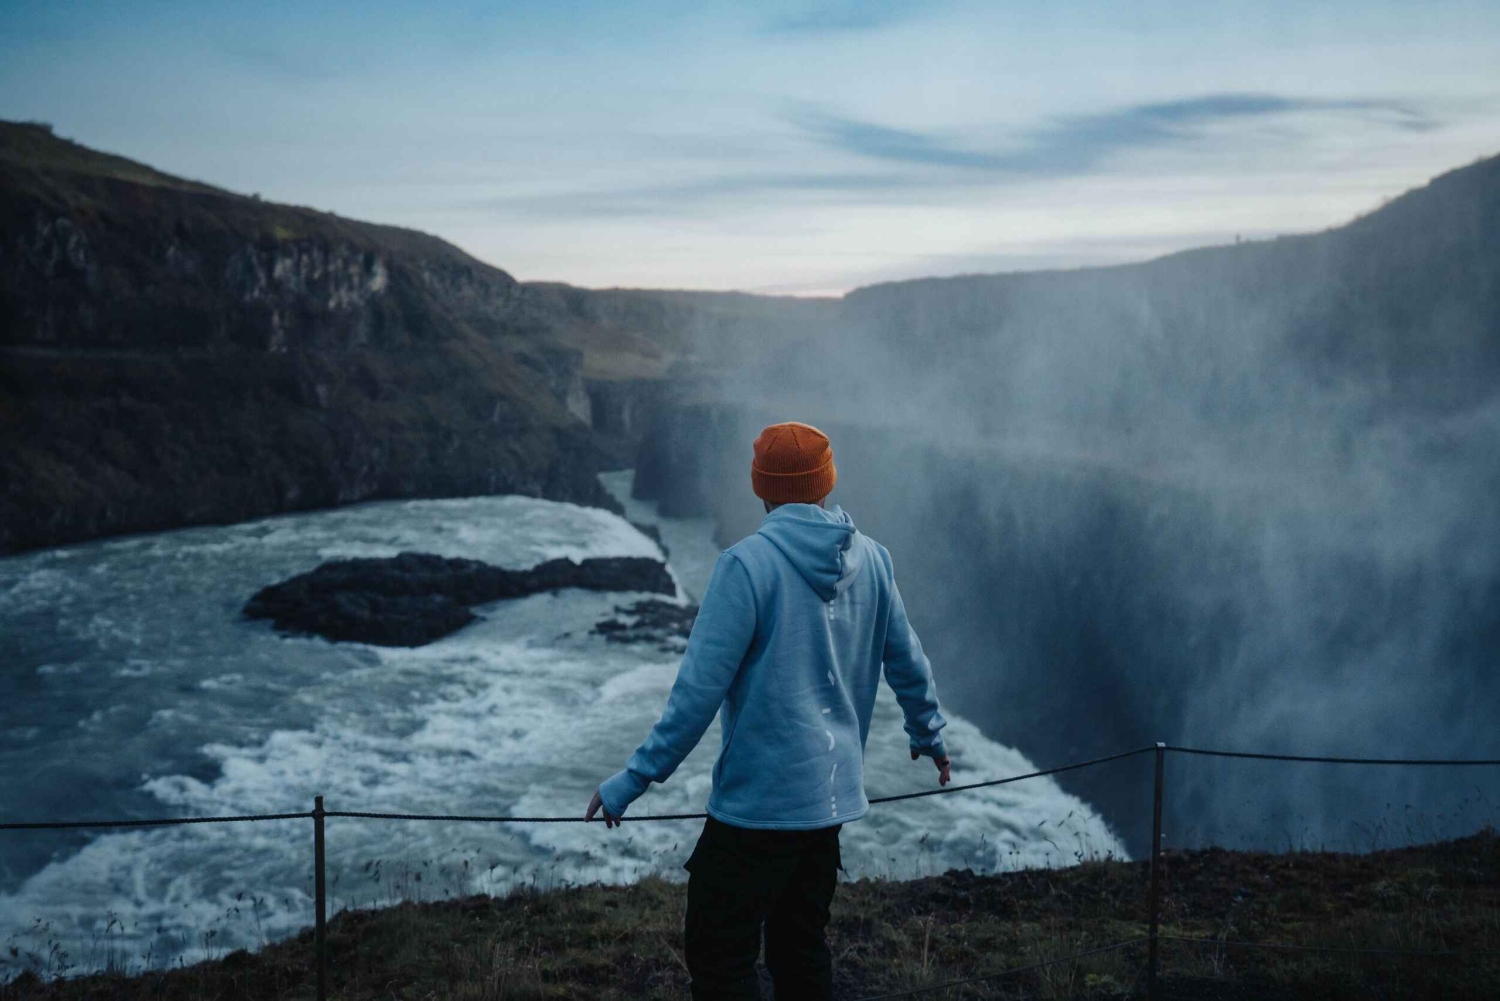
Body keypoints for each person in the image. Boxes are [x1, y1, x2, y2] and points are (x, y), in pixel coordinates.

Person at [586, 420, 952, 1000]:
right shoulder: (874, 561)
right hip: (828, 803)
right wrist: (928, 733)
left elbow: (696, 696)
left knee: (718, 955)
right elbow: (907, 661)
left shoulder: (746, 566)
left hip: (756, 810)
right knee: (800, 948)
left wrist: (630, 781)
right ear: (826, 483)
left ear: (763, 488)